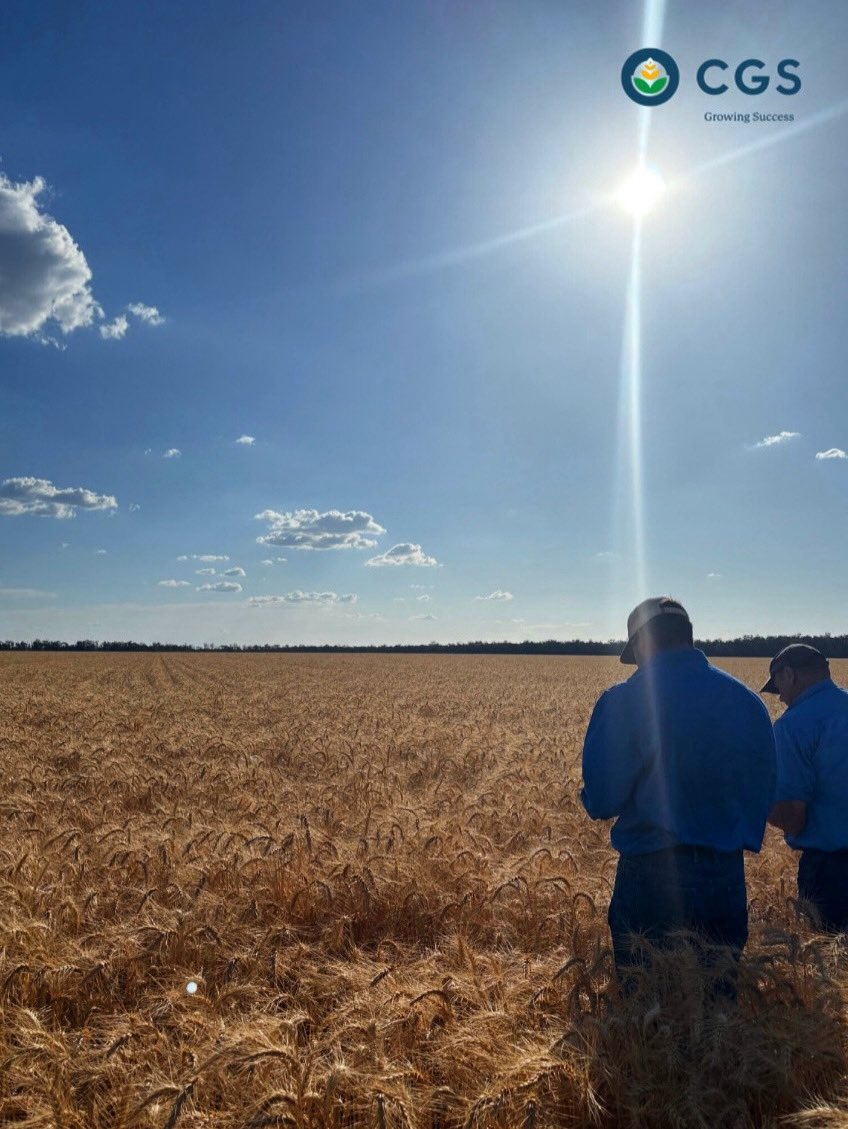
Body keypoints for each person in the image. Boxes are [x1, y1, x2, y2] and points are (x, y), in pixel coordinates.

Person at [581, 596, 776, 995]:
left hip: (651, 876)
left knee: (648, 1012)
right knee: (716, 1010)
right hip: (725, 877)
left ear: (639, 645)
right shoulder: (748, 702)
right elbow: (765, 790)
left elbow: (603, 799)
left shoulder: (623, 701)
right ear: (688, 637)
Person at [761, 643, 848, 933]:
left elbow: (793, 819)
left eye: (778, 686)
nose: (781, 698)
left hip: (832, 874)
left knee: (832, 967)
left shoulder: (793, 725)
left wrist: (755, 798)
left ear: (788, 674)